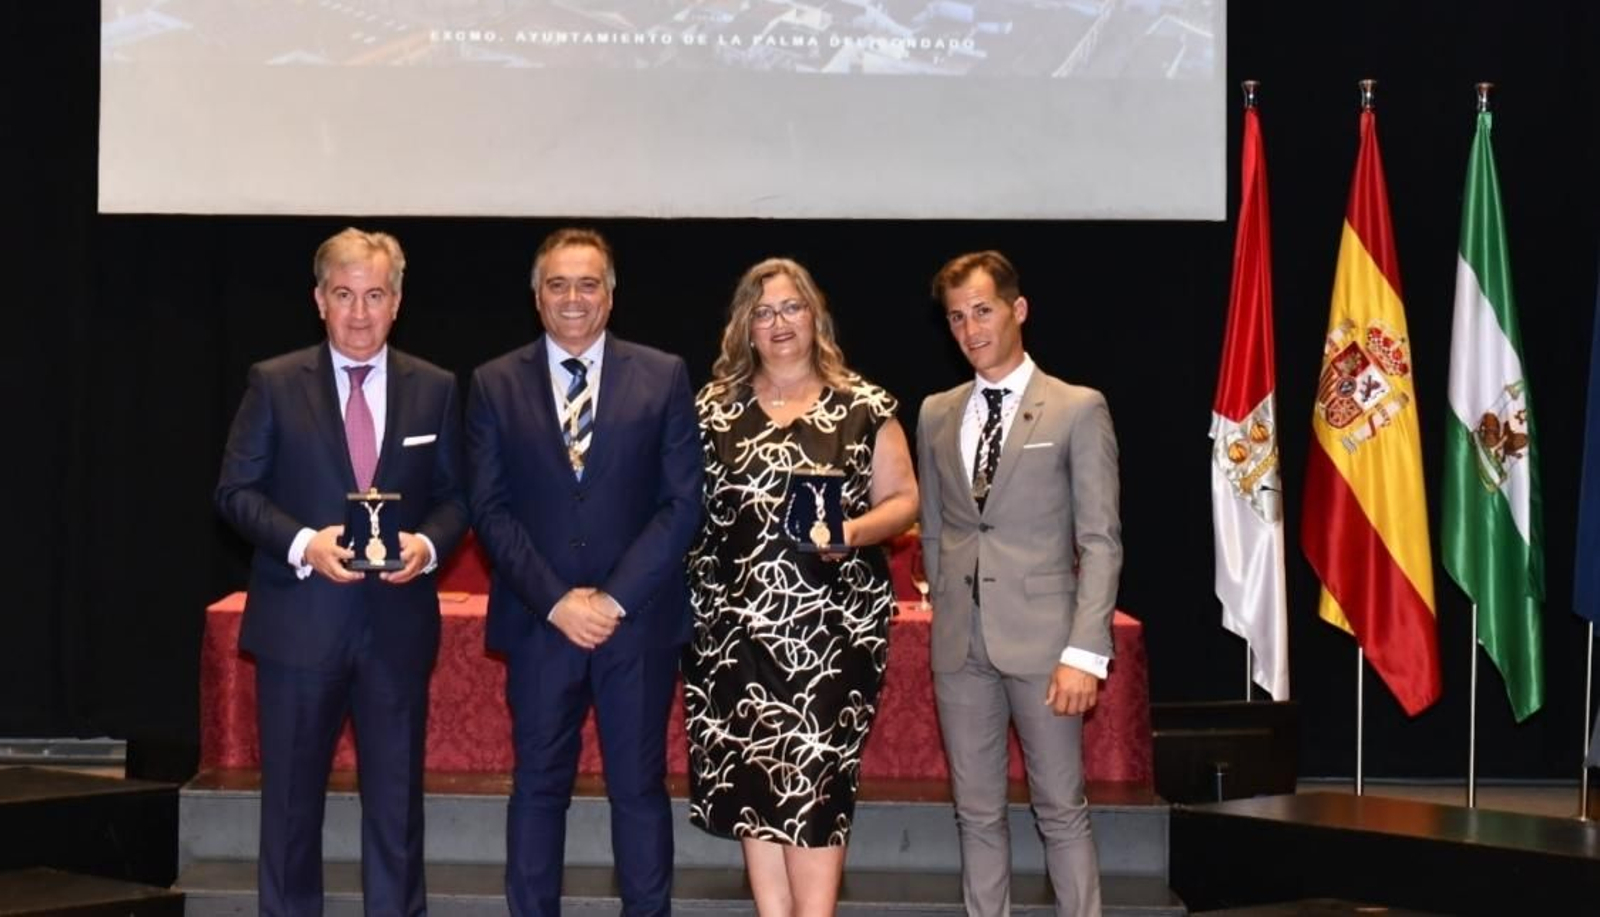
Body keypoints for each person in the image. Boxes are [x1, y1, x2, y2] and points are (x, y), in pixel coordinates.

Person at [215, 227, 469, 916]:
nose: (360, 313)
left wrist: (427, 545)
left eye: (375, 295)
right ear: (319, 300)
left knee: (397, 813)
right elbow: (235, 492)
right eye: (345, 295)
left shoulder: (436, 388)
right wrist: (303, 542)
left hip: (395, 629)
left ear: (397, 302)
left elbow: (457, 498)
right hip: (300, 631)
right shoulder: (272, 383)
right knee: (291, 815)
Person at [465, 227, 702, 917]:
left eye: (588, 283)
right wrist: (558, 601)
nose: (574, 298)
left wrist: (614, 598)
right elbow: (489, 507)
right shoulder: (493, 382)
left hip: (638, 622)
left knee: (638, 787)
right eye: (559, 284)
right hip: (542, 623)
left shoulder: (663, 375)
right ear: (537, 297)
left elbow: (682, 502)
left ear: (611, 294)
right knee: (538, 787)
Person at [684, 257, 919, 916]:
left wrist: (853, 528)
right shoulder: (711, 409)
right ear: (745, 326)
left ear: (815, 316)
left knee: (815, 784)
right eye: (763, 311)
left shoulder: (865, 406)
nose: (779, 322)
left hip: (832, 640)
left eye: (791, 307)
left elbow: (904, 500)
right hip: (731, 639)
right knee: (754, 784)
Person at [917, 251, 1122, 917]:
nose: (970, 329)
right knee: (975, 815)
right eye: (956, 317)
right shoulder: (936, 413)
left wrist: (1084, 651)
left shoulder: (1077, 407)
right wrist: (945, 605)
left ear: (1017, 309)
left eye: (982, 310)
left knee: (1060, 810)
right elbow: (935, 528)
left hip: (1047, 648)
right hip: (960, 647)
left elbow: (1100, 541)